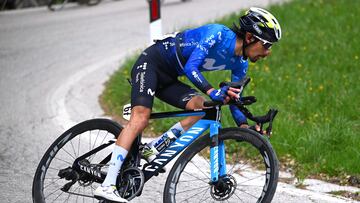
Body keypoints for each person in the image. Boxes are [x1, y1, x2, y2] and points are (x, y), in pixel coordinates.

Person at [94, 7, 282, 202]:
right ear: (250, 37)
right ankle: (107, 185)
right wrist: (212, 91)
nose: (268, 53)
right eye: (267, 45)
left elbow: (234, 99)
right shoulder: (217, 34)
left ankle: (152, 148)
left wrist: (245, 128)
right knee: (140, 118)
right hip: (151, 64)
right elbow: (191, 67)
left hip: (170, 79)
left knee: (205, 108)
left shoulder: (240, 64)